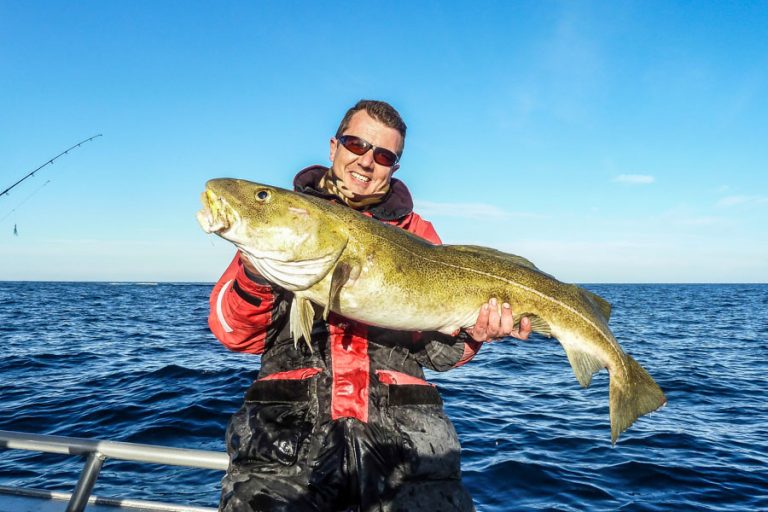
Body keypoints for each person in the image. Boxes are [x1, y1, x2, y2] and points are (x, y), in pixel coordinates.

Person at [208, 100, 531, 512]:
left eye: (383, 155)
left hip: (405, 456)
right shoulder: (284, 226)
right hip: (285, 451)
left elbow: (438, 354)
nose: (366, 161)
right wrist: (255, 272)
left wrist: (475, 332)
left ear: (394, 166)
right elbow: (235, 333)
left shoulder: (420, 236)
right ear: (333, 147)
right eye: (355, 144)